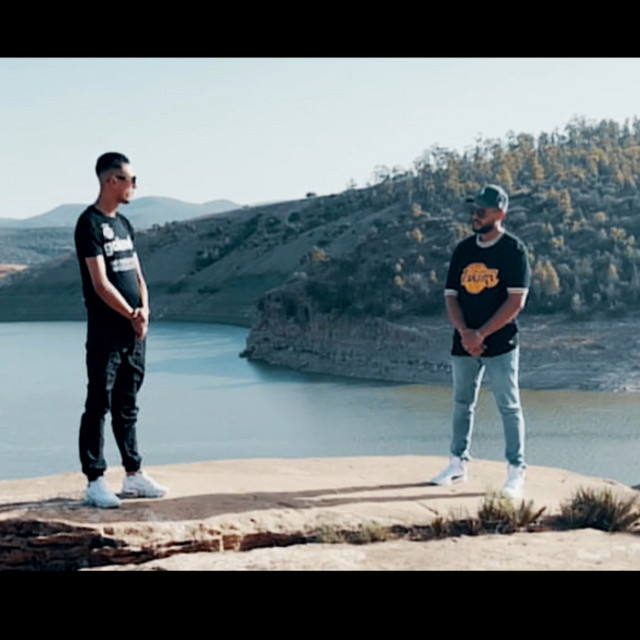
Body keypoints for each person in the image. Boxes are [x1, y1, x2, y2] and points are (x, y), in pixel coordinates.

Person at [74, 151, 167, 508]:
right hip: (106, 332)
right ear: (112, 181)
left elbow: (137, 274)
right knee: (98, 402)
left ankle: (134, 474)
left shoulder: (124, 224)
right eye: (130, 179)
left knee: (128, 403)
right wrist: (130, 313)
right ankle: (95, 480)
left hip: (133, 331)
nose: (135, 186)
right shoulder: (89, 224)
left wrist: (144, 312)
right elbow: (100, 283)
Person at [430, 184, 531, 498]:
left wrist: (481, 335)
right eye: (473, 210)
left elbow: (516, 302)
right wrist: (465, 333)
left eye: (481, 211)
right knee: (462, 404)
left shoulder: (514, 251)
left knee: (508, 406)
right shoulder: (463, 250)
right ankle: (457, 462)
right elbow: (451, 297)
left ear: (499, 214)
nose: (475, 215)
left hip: (500, 344)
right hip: (464, 342)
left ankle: (515, 471)